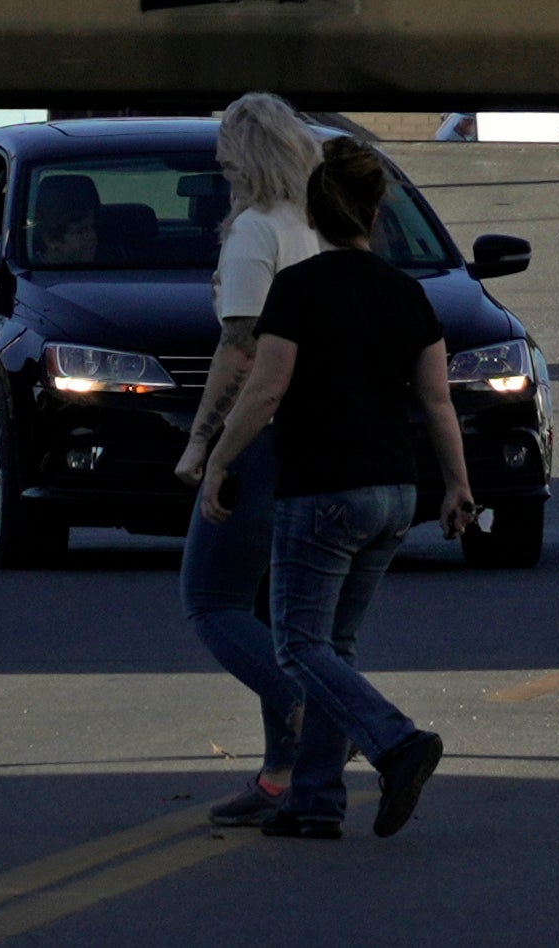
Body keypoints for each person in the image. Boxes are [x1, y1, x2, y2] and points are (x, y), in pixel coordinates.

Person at [187, 135, 466, 841]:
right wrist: (458, 485)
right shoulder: (408, 293)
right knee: (331, 648)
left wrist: (219, 458)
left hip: (323, 491)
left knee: (296, 646)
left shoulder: (300, 289)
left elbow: (265, 386)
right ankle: (313, 803)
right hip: (394, 493)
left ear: (312, 213)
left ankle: (395, 740)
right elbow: (436, 401)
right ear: (375, 213)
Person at [174, 93, 324, 827]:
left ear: (242, 157)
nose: (218, 168)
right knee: (275, 608)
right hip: (314, 438)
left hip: (258, 437)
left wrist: (203, 445)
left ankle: (323, 713)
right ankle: (278, 776)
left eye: (223, 155)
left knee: (211, 600)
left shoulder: (254, 235)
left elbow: (239, 347)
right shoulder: (315, 228)